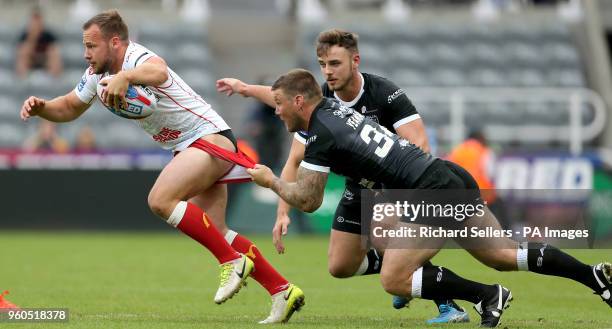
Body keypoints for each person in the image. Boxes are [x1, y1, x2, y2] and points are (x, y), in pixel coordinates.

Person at [247, 68, 612, 327]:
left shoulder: (321, 134)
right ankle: (595, 277)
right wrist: (249, 88)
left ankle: (487, 296)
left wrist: (271, 181)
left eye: (278, 104)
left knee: (394, 278)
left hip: (429, 191)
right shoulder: (330, 108)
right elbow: (295, 90)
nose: (275, 111)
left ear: (298, 101)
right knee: (502, 254)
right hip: (445, 175)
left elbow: (308, 200)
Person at [19, 10, 303, 324]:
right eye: (85, 46)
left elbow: (159, 71)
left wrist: (127, 76)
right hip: (192, 146)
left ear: (115, 42)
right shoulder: (95, 75)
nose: (86, 53)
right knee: (218, 231)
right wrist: (42, 107)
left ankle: (231, 262)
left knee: (160, 200)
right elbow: (70, 107)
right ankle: (282, 289)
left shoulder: (135, 58)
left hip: (208, 139)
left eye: (92, 46)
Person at [217, 29, 468, 323]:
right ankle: (403, 270)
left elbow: (420, 145)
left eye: (334, 63)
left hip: (393, 182)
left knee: (385, 231)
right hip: (357, 185)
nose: (327, 71)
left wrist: (394, 194)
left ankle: (447, 303)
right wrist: (282, 212)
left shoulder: (383, 92)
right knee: (340, 265)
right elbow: (294, 158)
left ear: (355, 61)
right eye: (322, 64)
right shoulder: (317, 101)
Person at [15, 8, 63, 79]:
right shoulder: (24, 36)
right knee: (24, 50)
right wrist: (32, 37)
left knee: (53, 52)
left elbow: (54, 51)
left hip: (45, 61)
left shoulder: (49, 36)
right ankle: (22, 79)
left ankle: (53, 80)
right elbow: (22, 52)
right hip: (31, 61)